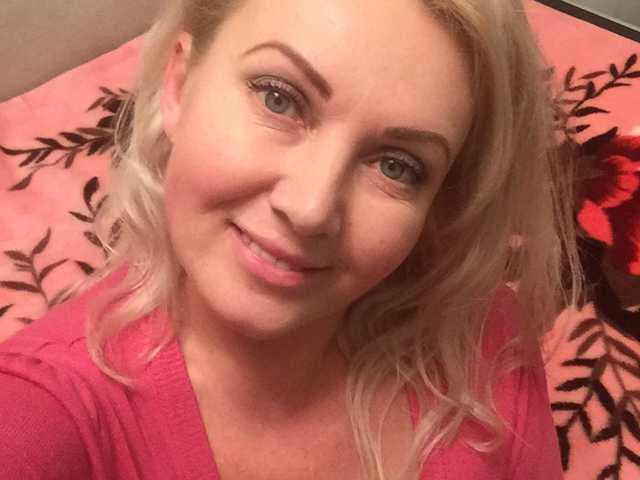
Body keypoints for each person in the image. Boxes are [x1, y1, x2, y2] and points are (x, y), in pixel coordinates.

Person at [0, 0, 583, 479]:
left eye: (397, 165)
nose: (310, 209)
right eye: (278, 98)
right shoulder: (38, 415)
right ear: (179, 83)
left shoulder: (485, 337)